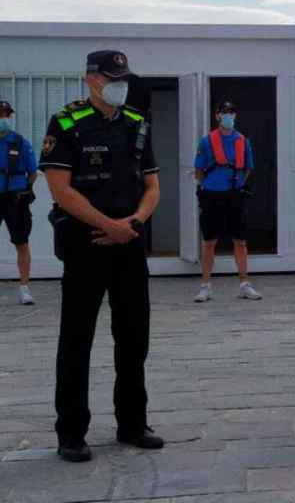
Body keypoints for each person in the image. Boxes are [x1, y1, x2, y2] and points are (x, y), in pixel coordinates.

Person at [40, 50, 164, 462]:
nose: (121, 85)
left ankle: (132, 423)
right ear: (91, 79)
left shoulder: (135, 123)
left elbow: (152, 186)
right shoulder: (67, 122)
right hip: (84, 245)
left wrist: (132, 223)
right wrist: (106, 224)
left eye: (124, 78)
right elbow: (61, 189)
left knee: (133, 340)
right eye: (113, 78)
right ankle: (71, 433)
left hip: (128, 244)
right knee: (77, 340)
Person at [193, 101, 261, 302]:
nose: (228, 116)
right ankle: (205, 286)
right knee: (209, 241)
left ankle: (244, 284)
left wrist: (239, 184)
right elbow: (198, 171)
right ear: (217, 116)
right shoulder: (206, 141)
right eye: (224, 113)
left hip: (234, 195)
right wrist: (210, 185)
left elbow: (248, 168)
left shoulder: (243, 141)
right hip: (212, 195)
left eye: (231, 112)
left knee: (240, 241)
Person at [0, 100, 37, 304]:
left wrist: (24, 190)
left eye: (6, 114)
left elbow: (32, 173)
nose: (3, 119)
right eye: (0, 114)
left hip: (15, 199)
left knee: (21, 242)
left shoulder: (21, 143)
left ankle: (24, 288)